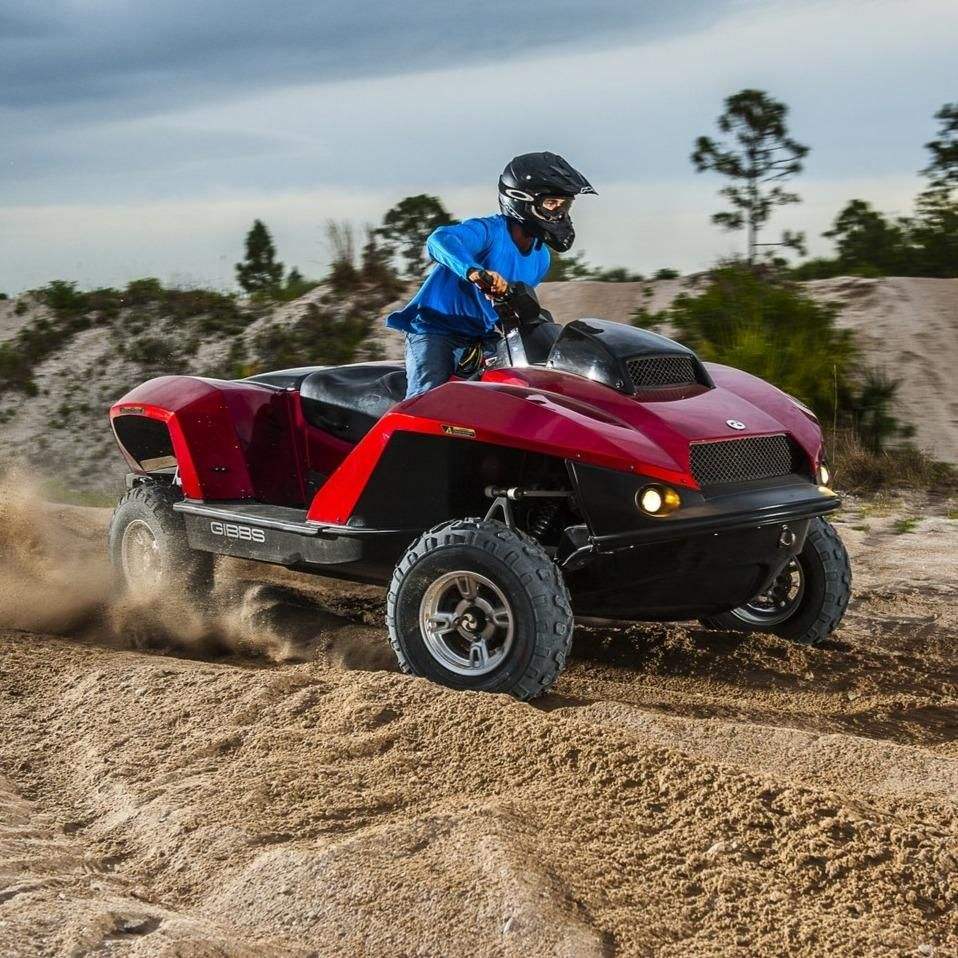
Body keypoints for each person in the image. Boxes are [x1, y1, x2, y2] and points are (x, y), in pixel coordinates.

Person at [386, 152, 595, 397]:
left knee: (521, 389)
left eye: (564, 205)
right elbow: (439, 239)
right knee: (429, 400)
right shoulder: (489, 232)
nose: (559, 213)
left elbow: (504, 304)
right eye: (551, 204)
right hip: (435, 330)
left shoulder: (541, 259)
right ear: (522, 200)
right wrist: (473, 271)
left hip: (483, 339)